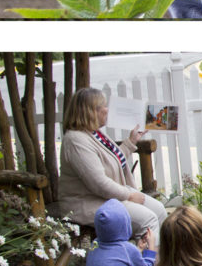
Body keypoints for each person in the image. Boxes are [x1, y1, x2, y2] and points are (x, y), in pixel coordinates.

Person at [58, 88, 168, 243]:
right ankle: (148, 264)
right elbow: (99, 183)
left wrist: (131, 142)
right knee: (147, 220)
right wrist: (129, 195)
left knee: (159, 210)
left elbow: (112, 161)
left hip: (109, 197)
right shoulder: (76, 140)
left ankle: (164, 261)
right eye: (102, 106)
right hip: (88, 203)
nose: (107, 109)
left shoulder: (94, 133)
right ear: (90, 112)